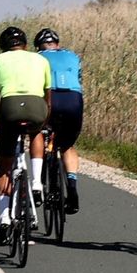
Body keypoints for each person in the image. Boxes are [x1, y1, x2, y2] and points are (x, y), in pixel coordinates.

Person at [0, 26, 52, 246]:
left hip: (9, 108)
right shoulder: (41, 60)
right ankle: (37, 183)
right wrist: (44, 121)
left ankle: (4, 219)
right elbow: (48, 95)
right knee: (36, 132)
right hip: (37, 106)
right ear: (26, 45)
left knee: (4, 166)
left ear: (3, 46)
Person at [34, 28, 84, 213]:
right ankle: (72, 187)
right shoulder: (73, 56)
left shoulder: (37, 58)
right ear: (57, 43)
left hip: (51, 99)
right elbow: (79, 80)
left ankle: (38, 182)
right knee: (68, 146)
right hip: (74, 100)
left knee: (39, 134)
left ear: (38, 46)